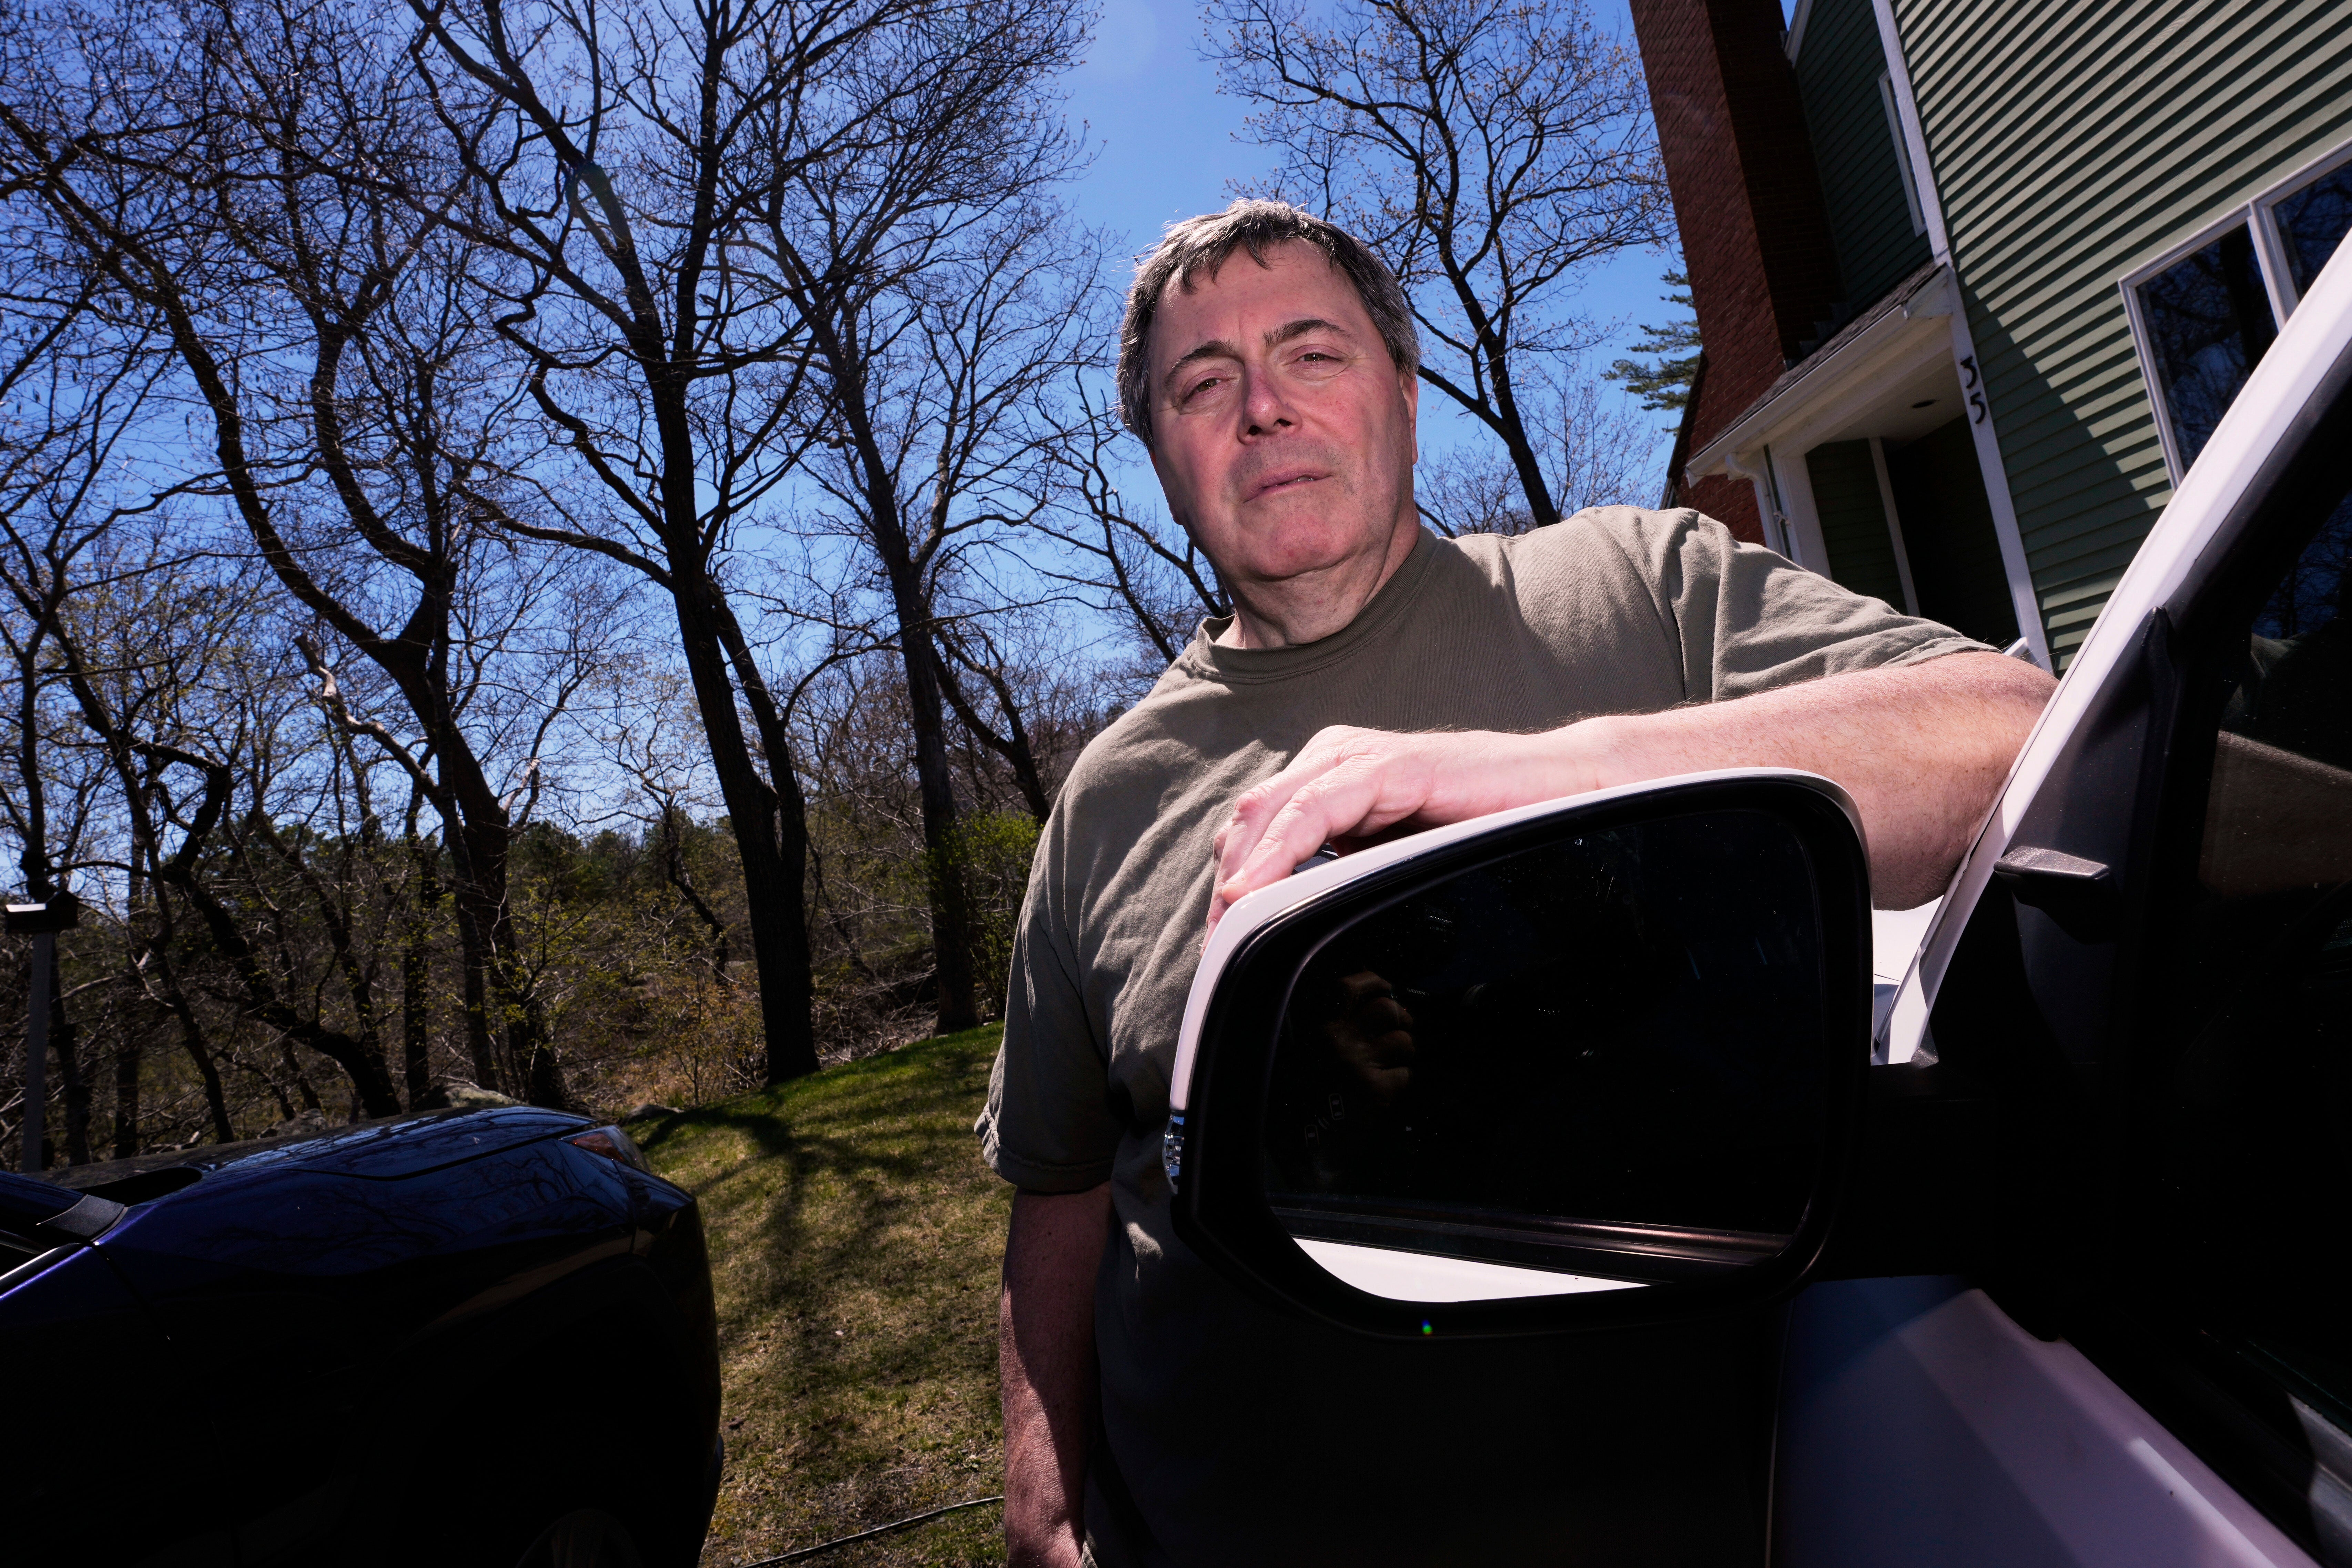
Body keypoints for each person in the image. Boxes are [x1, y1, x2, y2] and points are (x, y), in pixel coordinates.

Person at [980, 199, 2055, 1567]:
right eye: (1203, 383)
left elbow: (2009, 735)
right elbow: (1060, 1188)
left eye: (1311, 351)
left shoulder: (1638, 590)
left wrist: (1535, 774)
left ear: (1406, 396)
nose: (1261, 407)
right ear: (1163, 456)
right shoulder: (1102, 800)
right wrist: (1041, 1505)